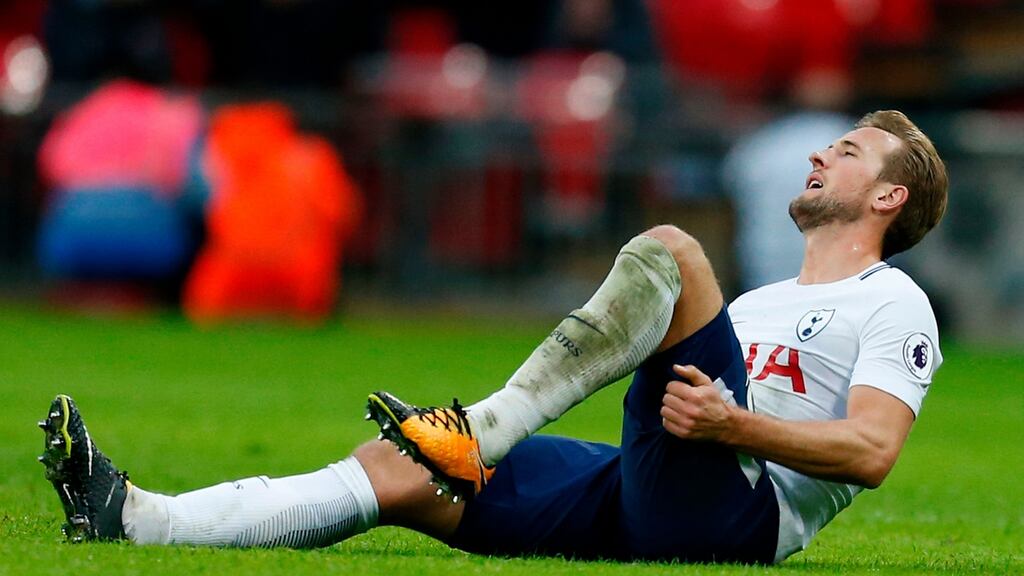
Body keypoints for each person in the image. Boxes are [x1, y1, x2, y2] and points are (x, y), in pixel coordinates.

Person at [39, 110, 947, 564]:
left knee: (672, 250)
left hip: (737, 515)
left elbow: (871, 452)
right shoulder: (757, 307)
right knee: (401, 472)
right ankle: (134, 517)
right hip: (661, 481)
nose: (823, 153)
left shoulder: (893, 302)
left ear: (888, 198)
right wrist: (715, 426)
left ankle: (488, 425)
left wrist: (735, 429)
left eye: (852, 151)